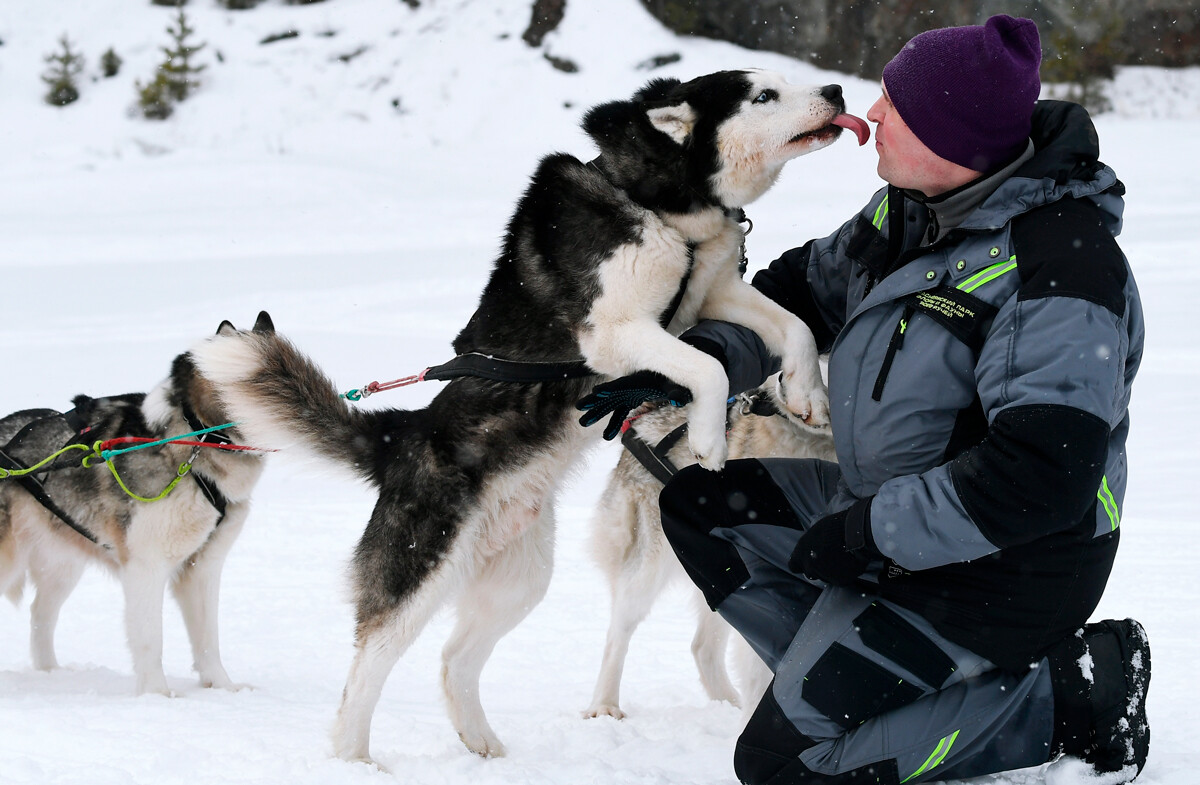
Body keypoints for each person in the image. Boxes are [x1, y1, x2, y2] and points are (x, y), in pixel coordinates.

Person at [577, 14, 1149, 785]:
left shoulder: (1060, 270)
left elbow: (1042, 475)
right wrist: (692, 361)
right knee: (701, 503)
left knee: (786, 763)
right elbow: (796, 296)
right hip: (891, 517)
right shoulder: (910, 210)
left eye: (896, 106)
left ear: (957, 137)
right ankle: (867, 688)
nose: (870, 114)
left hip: (1007, 567)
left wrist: (871, 535)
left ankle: (1072, 693)